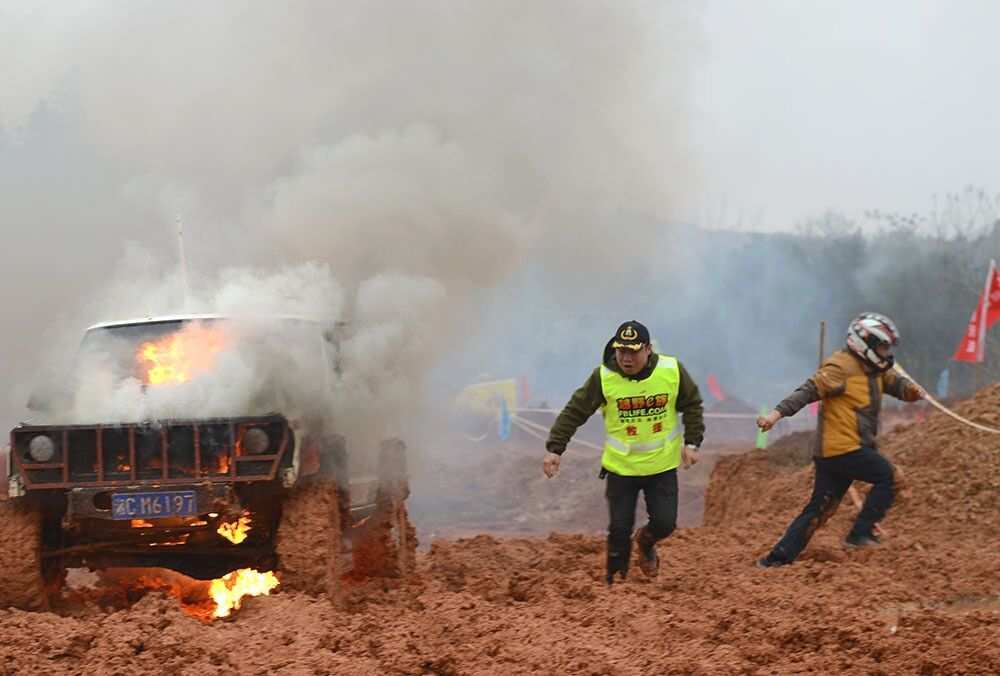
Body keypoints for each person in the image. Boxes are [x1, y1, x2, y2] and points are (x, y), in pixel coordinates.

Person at [756, 312, 926, 568]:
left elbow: (899, 387)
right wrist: (775, 414)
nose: (884, 352)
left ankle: (776, 560)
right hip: (843, 449)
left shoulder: (876, 370)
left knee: (819, 510)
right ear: (864, 343)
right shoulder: (840, 367)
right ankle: (860, 534)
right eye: (881, 346)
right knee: (889, 477)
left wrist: (914, 392)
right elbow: (807, 391)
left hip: (840, 452)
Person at [543, 320, 705, 585]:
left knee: (665, 524)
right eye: (621, 351)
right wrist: (555, 449)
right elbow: (575, 411)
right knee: (619, 529)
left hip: (661, 467)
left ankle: (645, 541)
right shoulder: (603, 377)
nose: (626, 358)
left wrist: (692, 443)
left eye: (633, 351)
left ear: (648, 350)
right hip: (621, 469)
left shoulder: (672, 370)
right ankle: (615, 585)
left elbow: (693, 405)